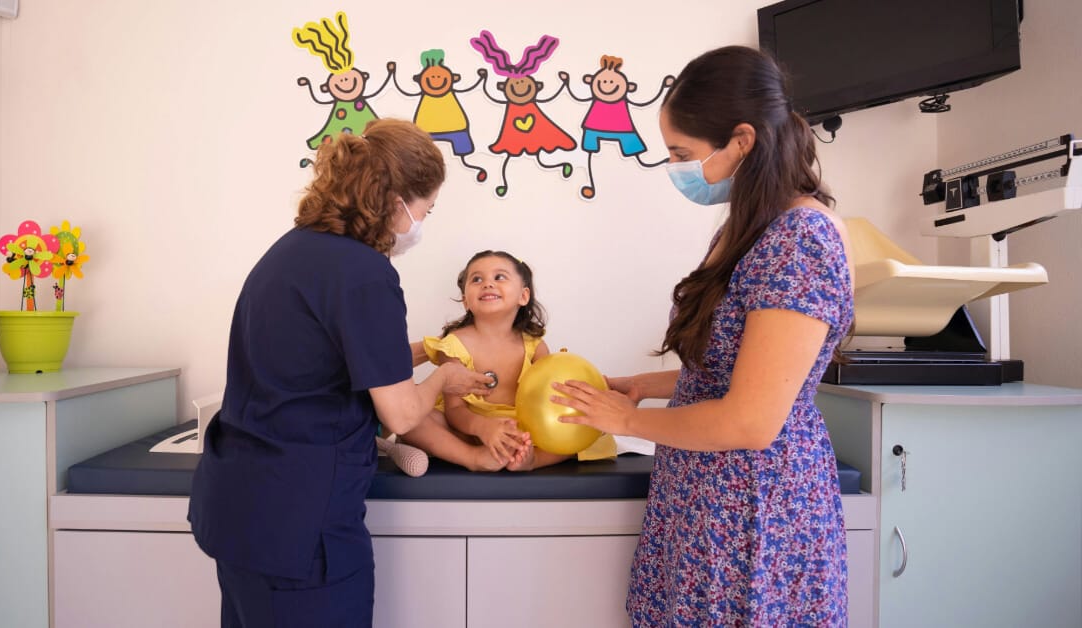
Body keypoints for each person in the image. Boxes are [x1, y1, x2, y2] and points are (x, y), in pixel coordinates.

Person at [552, 46, 855, 626]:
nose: (675, 169)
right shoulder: (750, 228)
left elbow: (750, 419)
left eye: (682, 154)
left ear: (741, 140)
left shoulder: (801, 240)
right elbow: (734, 366)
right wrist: (641, 385)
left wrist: (623, 421)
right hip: (703, 495)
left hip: (753, 511)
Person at [188, 118, 495, 628]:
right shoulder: (366, 273)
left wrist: (425, 353)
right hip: (300, 526)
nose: (423, 222)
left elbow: (321, 360)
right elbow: (398, 410)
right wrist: (444, 380)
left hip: (241, 506)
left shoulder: (291, 251)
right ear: (396, 201)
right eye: (427, 209)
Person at [401, 250, 615, 472]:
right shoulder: (453, 345)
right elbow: (455, 409)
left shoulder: (534, 346)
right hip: (467, 430)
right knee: (409, 414)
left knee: (592, 427)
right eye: (476, 279)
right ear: (466, 301)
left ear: (523, 296)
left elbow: (550, 398)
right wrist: (483, 428)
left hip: (522, 429)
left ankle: (532, 460)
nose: (487, 284)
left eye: (499, 277)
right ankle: (472, 457)